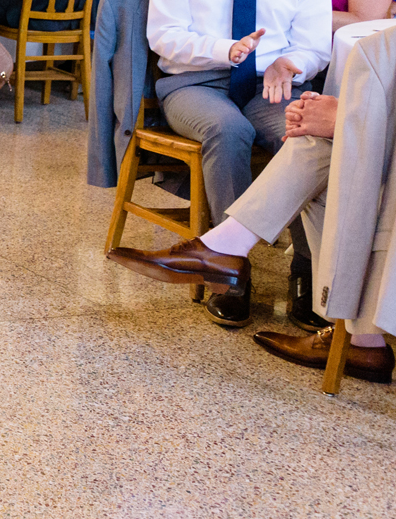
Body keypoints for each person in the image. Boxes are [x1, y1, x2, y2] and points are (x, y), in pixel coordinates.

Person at [134, 0, 331, 328]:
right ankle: (230, 272)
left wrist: (291, 61)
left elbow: (315, 46)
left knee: (307, 133)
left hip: (269, 83)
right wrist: (226, 50)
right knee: (229, 130)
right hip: (194, 82)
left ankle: (306, 273)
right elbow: (164, 36)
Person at [107, 52, 392, 368]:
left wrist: (352, 117)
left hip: (277, 85)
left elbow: (320, 42)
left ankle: (226, 249)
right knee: (312, 136)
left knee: (322, 138)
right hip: (200, 81)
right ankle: (360, 338)